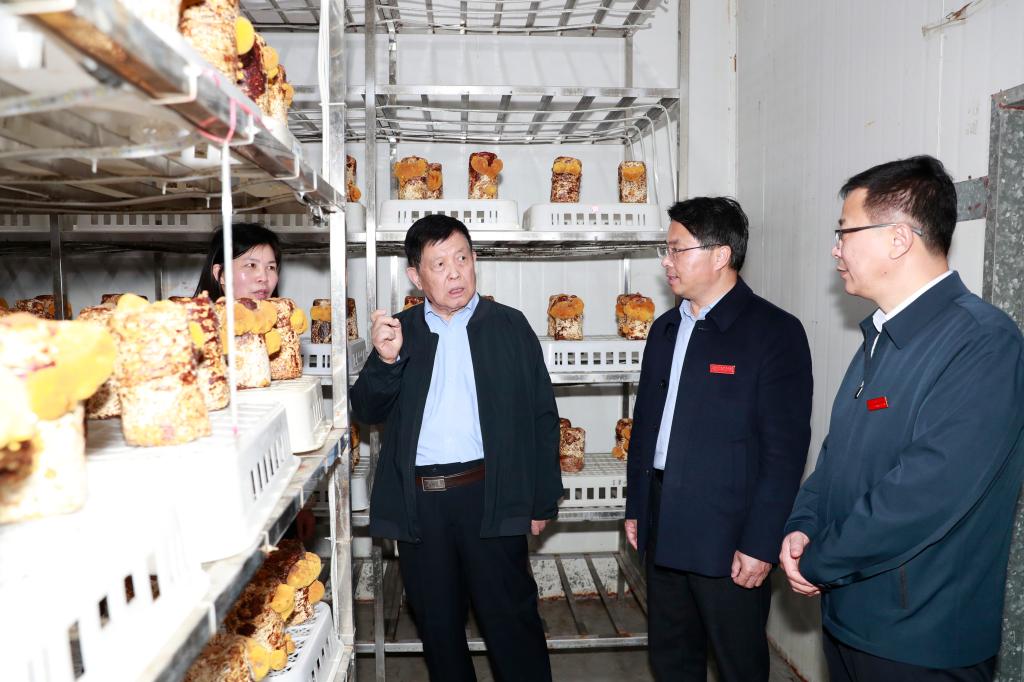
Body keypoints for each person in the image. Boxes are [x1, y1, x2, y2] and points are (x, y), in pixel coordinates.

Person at [780, 155, 1024, 681]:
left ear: (897, 239)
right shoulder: (882, 335)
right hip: (849, 614)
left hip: (920, 640)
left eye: (845, 232)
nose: (835, 248)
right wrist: (804, 526)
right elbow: (837, 457)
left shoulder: (983, 343)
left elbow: (924, 493)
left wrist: (820, 560)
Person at [349, 214, 561, 682]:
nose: (454, 273)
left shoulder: (509, 326)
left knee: (511, 621)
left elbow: (543, 416)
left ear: (474, 260)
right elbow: (365, 408)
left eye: (462, 259)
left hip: (491, 493)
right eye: (439, 264)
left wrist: (542, 498)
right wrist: (385, 361)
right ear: (415, 275)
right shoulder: (400, 331)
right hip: (421, 504)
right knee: (439, 629)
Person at [624, 197, 813, 682]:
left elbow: (784, 454)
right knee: (671, 656)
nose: (666, 262)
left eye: (677, 249)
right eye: (666, 250)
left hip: (729, 535)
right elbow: (645, 425)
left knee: (737, 662)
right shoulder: (665, 329)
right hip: (663, 518)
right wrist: (637, 506)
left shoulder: (774, 333)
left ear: (720, 255)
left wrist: (760, 543)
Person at [195, 223, 281, 300]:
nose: (264, 278)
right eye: (251, 265)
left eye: (271, 267)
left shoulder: (286, 313)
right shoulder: (195, 312)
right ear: (220, 274)